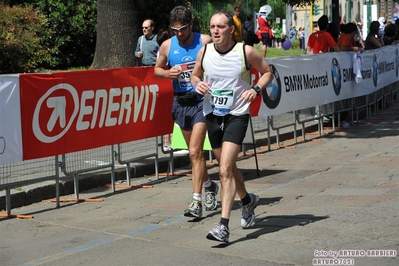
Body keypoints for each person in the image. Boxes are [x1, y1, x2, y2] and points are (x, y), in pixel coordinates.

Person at [191, 10, 274, 243]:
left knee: (225, 169)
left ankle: (223, 226)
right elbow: (194, 76)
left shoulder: (245, 52)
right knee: (228, 167)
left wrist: (255, 89)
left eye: (220, 27)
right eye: (212, 27)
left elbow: (268, 73)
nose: (215, 31)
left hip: (237, 114)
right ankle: (248, 201)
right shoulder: (205, 51)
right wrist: (197, 84)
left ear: (230, 29)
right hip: (212, 114)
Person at [154, 6, 218, 218]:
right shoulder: (167, 45)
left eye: (182, 29)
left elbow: (222, 60)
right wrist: (167, 73)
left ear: (191, 23)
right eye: (175, 29)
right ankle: (209, 185)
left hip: (202, 102)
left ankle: (196, 201)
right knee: (196, 156)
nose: (179, 33)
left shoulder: (205, 41)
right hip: (181, 104)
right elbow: (157, 69)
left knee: (194, 152)